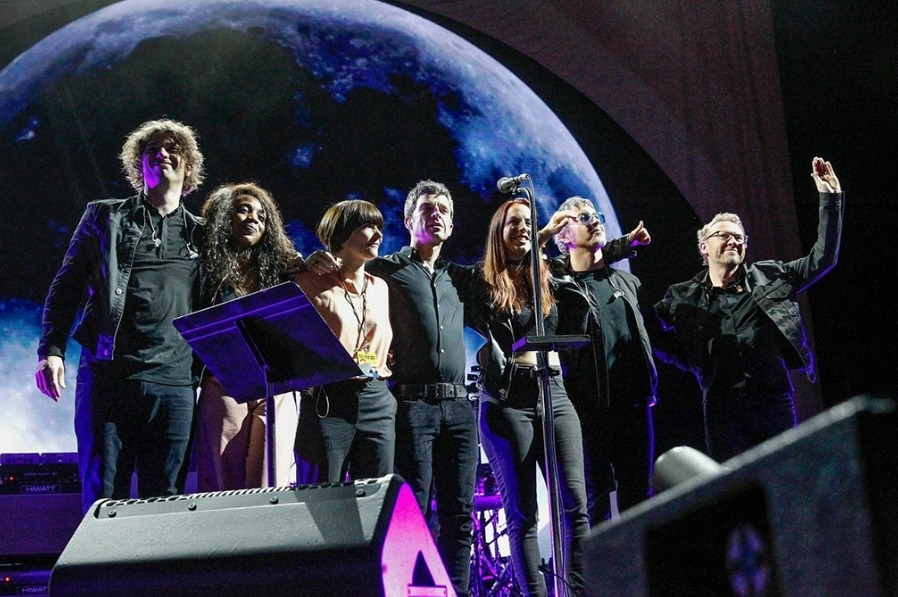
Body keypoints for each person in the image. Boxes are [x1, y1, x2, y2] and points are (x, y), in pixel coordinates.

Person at [35, 119, 205, 513]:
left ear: (188, 166)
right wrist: (52, 349)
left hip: (174, 383)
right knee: (104, 499)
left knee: (165, 503)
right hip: (109, 375)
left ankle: (157, 577)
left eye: (171, 149)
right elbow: (67, 286)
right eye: (151, 151)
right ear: (138, 166)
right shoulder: (106, 217)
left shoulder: (202, 234)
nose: (161, 154)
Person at [654, 157, 843, 462]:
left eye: (739, 237)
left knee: (785, 478)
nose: (733, 241)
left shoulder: (772, 276)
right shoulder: (681, 296)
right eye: (723, 235)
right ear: (704, 246)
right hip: (722, 407)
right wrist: (693, 362)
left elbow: (823, 259)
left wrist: (830, 200)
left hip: (773, 400)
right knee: (736, 492)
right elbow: (652, 336)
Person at [467, 198, 590, 596]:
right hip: (508, 398)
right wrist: (545, 232)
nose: (522, 228)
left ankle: (579, 592)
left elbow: (592, 262)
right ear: (498, 234)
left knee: (575, 503)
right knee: (522, 515)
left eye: (527, 222)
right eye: (513, 223)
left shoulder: (547, 276)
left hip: (553, 390)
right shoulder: (483, 282)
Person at [365, 180, 479, 597]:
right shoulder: (388, 269)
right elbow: (346, 270)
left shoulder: (460, 278)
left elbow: (510, 264)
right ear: (409, 219)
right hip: (413, 406)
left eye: (445, 209)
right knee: (415, 511)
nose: (438, 214)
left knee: (460, 516)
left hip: (460, 408)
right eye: (428, 208)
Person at [551, 196, 657, 525]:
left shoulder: (626, 282)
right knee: (593, 502)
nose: (595, 220)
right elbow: (537, 268)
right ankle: (597, 575)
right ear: (564, 235)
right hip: (587, 412)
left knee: (639, 498)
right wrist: (624, 244)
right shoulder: (560, 288)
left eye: (596, 215)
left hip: (634, 410)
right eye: (584, 217)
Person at [195, 182, 302, 491]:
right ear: (224, 217)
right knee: (222, 481)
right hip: (224, 382)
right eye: (243, 210)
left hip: (276, 385)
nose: (254, 218)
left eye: (261, 215)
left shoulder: (283, 269)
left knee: (271, 478)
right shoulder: (205, 270)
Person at [294, 200, 395, 483]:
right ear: (341, 233)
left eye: (379, 227)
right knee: (323, 497)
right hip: (329, 397)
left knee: (376, 496)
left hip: (376, 396)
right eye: (367, 226)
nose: (378, 234)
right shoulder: (309, 281)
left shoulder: (380, 287)